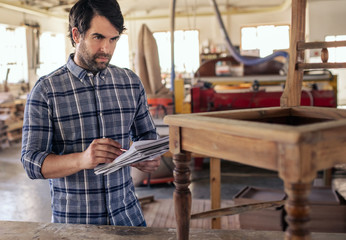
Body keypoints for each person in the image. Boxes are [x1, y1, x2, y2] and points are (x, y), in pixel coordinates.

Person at [21, 0, 160, 226]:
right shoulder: (46, 90)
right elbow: (31, 162)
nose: (106, 48)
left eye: (113, 39)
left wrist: (146, 157)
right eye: (98, 37)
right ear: (77, 35)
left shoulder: (130, 83)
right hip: (76, 224)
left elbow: (147, 137)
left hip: (128, 218)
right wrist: (82, 159)